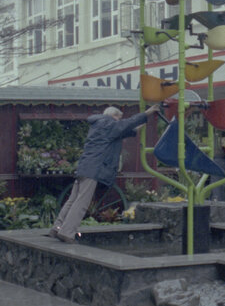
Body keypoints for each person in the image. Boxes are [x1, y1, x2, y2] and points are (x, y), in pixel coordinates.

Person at [51, 104, 160, 243]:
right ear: (113, 116)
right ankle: (67, 232)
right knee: (82, 202)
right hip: (94, 169)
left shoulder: (100, 125)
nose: (119, 121)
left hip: (85, 167)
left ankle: (57, 227)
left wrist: (141, 125)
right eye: (118, 119)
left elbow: (125, 130)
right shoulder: (108, 123)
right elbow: (128, 123)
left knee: (72, 199)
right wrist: (147, 113)